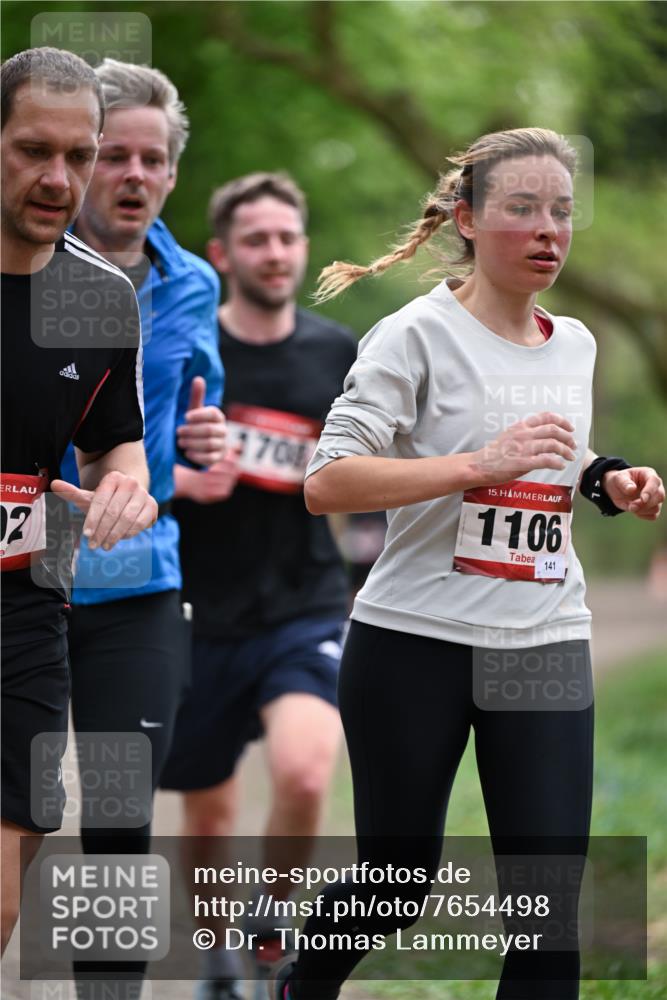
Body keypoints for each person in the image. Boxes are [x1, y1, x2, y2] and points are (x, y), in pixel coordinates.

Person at [269, 128, 665, 1000]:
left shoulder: (577, 345)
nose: (546, 230)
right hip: (415, 641)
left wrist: (606, 478)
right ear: (466, 220)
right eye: (521, 209)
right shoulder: (410, 337)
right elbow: (326, 483)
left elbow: (555, 454)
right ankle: (303, 984)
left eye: (560, 212)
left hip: (543, 639)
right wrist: (473, 467)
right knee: (398, 878)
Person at [159, 172, 358, 1000]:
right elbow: (116, 457)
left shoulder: (338, 351)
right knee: (207, 814)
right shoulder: (188, 347)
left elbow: (371, 464)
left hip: (306, 602)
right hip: (199, 612)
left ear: (302, 248)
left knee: (307, 773)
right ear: (222, 254)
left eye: (286, 238)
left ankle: (271, 935)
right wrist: (177, 478)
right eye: (255, 240)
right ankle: (217, 956)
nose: (274, 253)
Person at [56, 58, 225, 988]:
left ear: (170, 172)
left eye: (149, 158)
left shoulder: (194, 284)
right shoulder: (24, 267)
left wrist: (207, 435)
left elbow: (204, 411)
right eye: (111, 154)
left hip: (137, 580)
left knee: (120, 817)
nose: (131, 174)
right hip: (22, 576)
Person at [0, 47, 158, 952]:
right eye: (31, 150)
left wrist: (125, 490)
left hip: (25, 611)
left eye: (79, 155)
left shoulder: (101, 302)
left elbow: (115, 446)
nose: (58, 178)